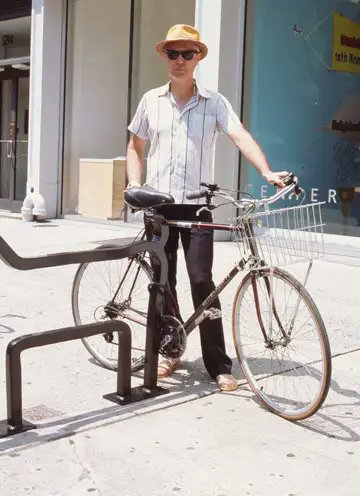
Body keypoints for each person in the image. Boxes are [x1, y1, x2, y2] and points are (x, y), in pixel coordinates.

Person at [125, 24, 287, 392]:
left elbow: (239, 135)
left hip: (197, 208)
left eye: (187, 54)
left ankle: (218, 364)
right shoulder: (151, 101)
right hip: (159, 207)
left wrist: (266, 170)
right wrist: (134, 184)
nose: (179, 61)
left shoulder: (214, 102)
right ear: (164, 57)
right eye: (173, 53)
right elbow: (135, 146)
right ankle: (170, 351)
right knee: (163, 283)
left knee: (203, 283)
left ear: (198, 57)